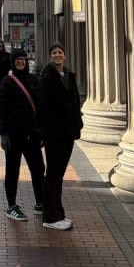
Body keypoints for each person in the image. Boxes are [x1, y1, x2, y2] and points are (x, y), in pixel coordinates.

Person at [37, 42, 83, 230]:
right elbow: (42, 107)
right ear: (50, 56)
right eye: (54, 53)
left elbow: (75, 102)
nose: (57, 55)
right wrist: (45, 131)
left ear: (65, 56)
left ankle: (58, 213)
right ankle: (50, 216)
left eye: (60, 53)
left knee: (59, 175)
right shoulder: (47, 78)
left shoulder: (69, 76)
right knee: (53, 174)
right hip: (54, 134)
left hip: (68, 133)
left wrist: (78, 124)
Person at [0, 47, 45, 221]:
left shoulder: (33, 80)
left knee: (38, 169)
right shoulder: (7, 82)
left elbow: (39, 108)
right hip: (14, 135)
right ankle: (12, 206)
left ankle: (40, 202)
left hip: (32, 134)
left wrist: (40, 132)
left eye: (23, 59)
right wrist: (4, 134)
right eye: (17, 59)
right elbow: (1, 109)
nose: (21, 62)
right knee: (12, 170)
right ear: (13, 61)